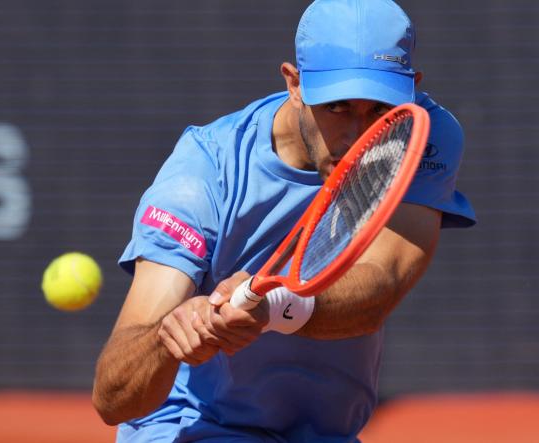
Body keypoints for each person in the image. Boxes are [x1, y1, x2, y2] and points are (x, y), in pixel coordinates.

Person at [92, 0, 476, 441]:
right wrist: (167, 337)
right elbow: (113, 398)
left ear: (412, 92)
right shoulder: (203, 172)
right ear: (295, 84)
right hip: (197, 428)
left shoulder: (422, 133)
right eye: (337, 107)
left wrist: (271, 307)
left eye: (378, 110)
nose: (358, 136)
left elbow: (381, 284)